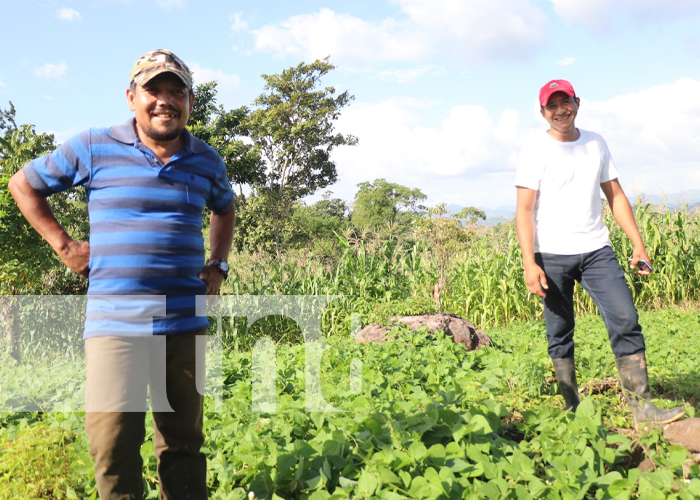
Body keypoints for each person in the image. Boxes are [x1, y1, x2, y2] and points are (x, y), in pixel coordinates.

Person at [8, 49, 235, 499]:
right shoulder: (94, 146)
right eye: (154, 90)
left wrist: (218, 264)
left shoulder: (206, 159)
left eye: (177, 92)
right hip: (116, 325)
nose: (165, 101)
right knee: (112, 445)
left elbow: (225, 209)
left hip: (185, 325)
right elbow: (23, 183)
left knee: (184, 445)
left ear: (190, 102)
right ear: (131, 97)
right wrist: (65, 245)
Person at [514, 79, 684, 426]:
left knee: (625, 319)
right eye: (552, 106)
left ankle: (643, 410)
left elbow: (616, 196)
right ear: (542, 111)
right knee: (559, 331)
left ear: (577, 102)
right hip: (551, 255)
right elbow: (524, 210)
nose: (561, 111)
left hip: (595, 249)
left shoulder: (595, 143)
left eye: (566, 103)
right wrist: (530, 263)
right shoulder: (534, 148)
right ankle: (572, 409)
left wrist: (638, 243)